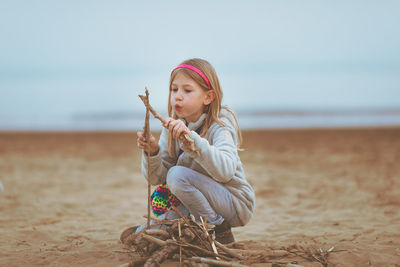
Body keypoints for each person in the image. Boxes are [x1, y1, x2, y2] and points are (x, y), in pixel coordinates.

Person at [122, 58, 255, 244]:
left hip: (233, 204)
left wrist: (191, 139)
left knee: (177, 175)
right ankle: (185, 229)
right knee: (142, 235)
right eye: (174, 89)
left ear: (208, 97)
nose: (178, 96)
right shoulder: (172, 127)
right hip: (196, 204)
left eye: (187, 90)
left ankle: (218, 230)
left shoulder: (220, 124)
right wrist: (152, 153)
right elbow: (158, 178)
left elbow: (225, 172)